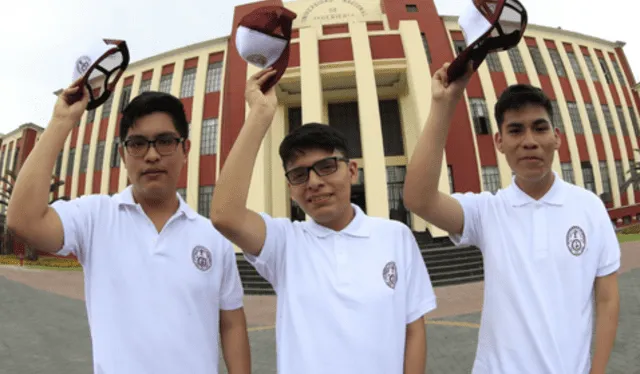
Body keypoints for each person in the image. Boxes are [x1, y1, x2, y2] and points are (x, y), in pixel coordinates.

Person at [7, 84, 251, 374]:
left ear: (184, 150)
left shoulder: (213, 237)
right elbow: (23, 220)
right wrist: (62, 120)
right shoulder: (95, 217)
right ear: (123, 156)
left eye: (164, 141)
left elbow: (232, 324)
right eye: (137, 144)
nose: (151, 156)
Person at [210, 67, 437, 374]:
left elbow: (413, 328)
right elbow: (225, 215)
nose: (314, 182)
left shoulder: (395, 237)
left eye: (327, 166)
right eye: (299, 174)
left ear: (352, 171)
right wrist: (260, 114)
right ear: (291, 189)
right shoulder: (285, 243)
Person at [403, 62, 620, 374]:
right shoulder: (488, 211)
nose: (529, 140)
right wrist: (443, 104)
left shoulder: (589, 207)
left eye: (540, 127)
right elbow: (418, 198)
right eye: (515, 130)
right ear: (499, 142)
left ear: (556, 137)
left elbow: (608, 300)